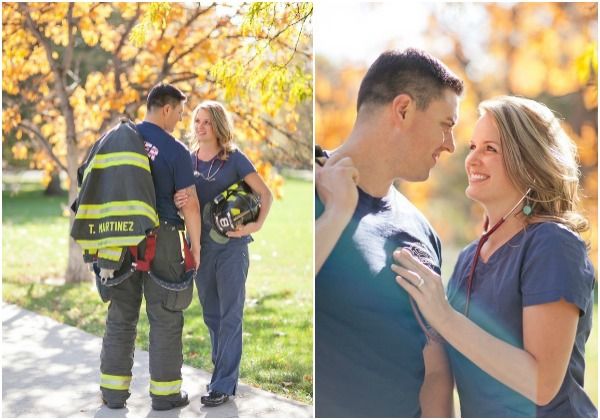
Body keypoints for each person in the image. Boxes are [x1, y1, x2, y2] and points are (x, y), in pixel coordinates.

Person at [392, 96, 597, 417]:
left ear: (528, 160)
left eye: (490, 149)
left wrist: (443, 315)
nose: (472, 159)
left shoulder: (553, 245)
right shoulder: (467, 258)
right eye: (473, 146)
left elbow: (542, 384)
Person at [315, 48, 464, 417]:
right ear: (402, 110)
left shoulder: (422, 231)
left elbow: (436, 370)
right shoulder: (312, 195)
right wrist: (337, 213)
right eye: (446, 125)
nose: (450, 145)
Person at [99, 83, 201, 411]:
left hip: (119, 238)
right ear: (166, 109)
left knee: (121, 314)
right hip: (164, 238)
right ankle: (165, 395)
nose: (180, 122)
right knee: (166, 315)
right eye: (180, 114)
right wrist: (195, 247)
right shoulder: (175, 151)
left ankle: (113, 394)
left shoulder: (114, 139)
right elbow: (192, 206)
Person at [174, 100, 273, 407]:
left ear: (217, 125)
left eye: (205, 121)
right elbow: (184, 205)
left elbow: (264, 194)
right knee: (212, 315)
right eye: (196, 121)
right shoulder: (188, 161)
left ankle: (223, 384)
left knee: (230, 315)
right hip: (201, 250)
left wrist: (253, 227)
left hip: (231, 249)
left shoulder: (234, 158)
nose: (199, 127)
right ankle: (222, 374)